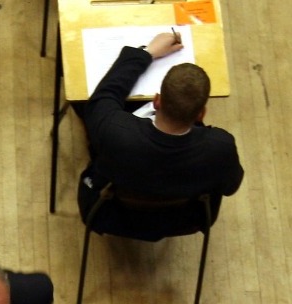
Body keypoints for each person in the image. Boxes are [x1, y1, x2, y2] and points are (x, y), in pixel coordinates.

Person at [78, 32, 243, 219]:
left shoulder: (116, 132)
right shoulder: (220, 148)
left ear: (157, 101)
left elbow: (103, 97)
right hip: (182, 219)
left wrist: (147, 53)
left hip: (111, 215)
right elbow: (230, 187)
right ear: (201, 114)